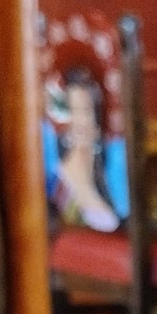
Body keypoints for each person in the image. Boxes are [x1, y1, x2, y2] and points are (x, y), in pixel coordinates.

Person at [51, 69, 120, 232]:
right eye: (72, 110)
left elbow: (114, 224)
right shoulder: (55, 166)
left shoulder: (111, 159)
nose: (78, 120)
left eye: (85, 110)